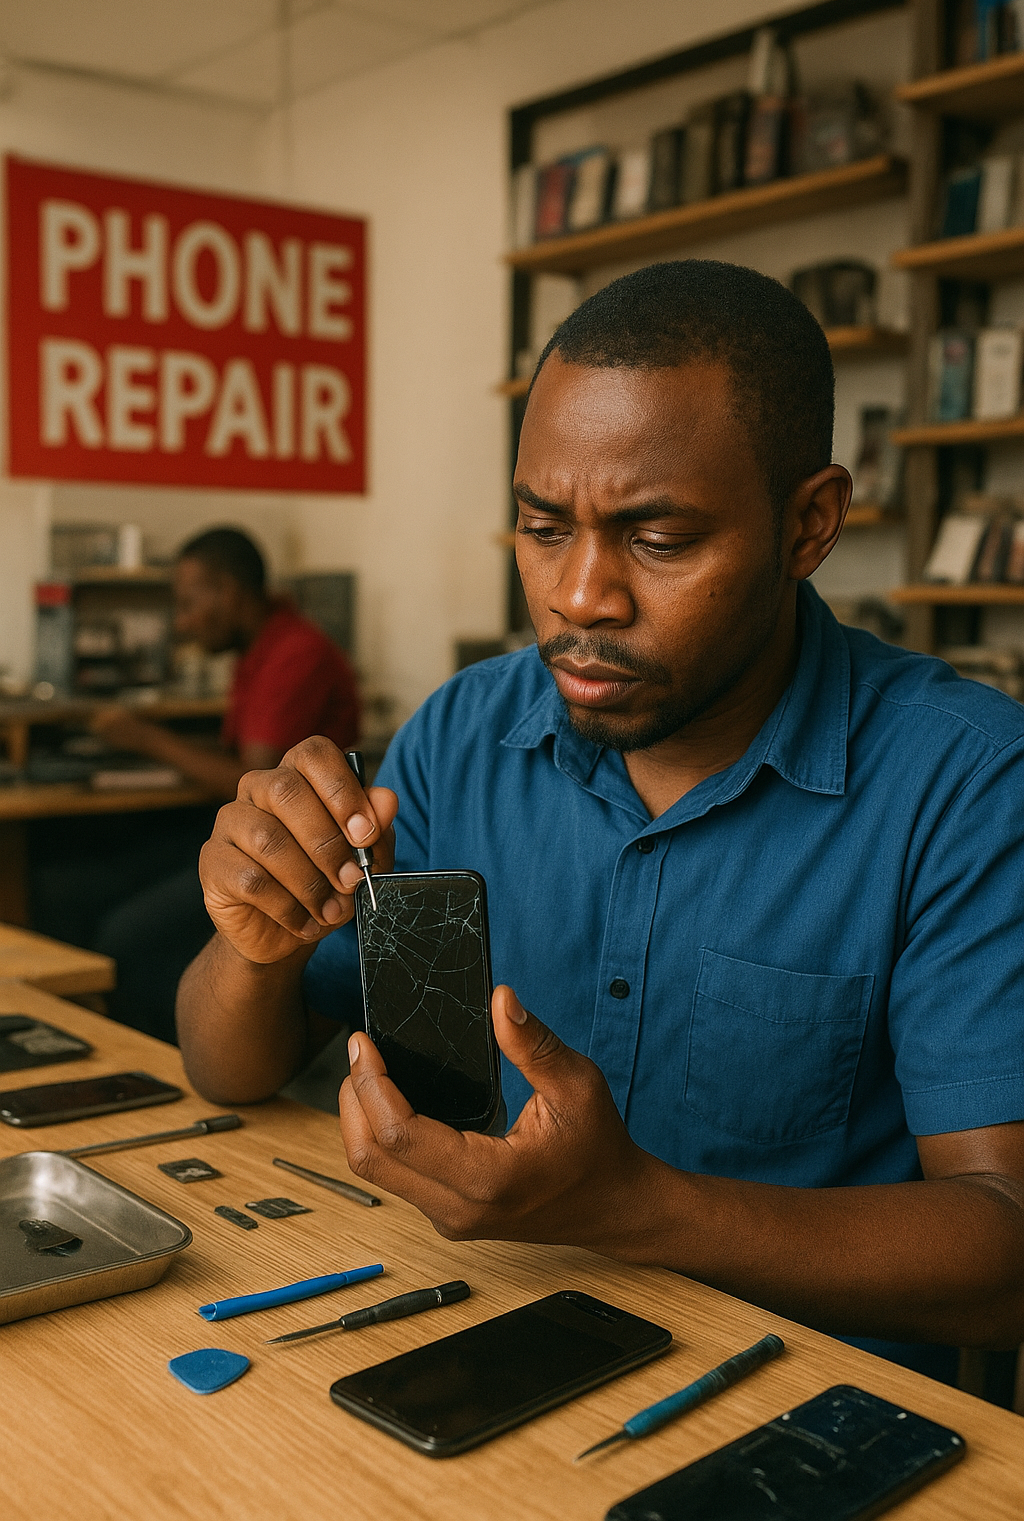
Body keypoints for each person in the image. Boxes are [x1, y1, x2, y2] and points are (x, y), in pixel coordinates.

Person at [177, 262, 1024, 1385]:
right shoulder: (460, 734)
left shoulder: (963, 780)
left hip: (799, 1409)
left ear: (809, 523)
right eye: (541, 526)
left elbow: (1005, 1250)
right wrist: (256, 947)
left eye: (658, 539)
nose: (580, 596)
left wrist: (634, 1210)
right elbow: (228, 1068)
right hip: (472, 1333)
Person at [32, 526, 359, 1043]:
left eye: (187, 604)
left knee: (127, 936)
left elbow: (249, 779)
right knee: (65, 887)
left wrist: (145, 738)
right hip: (237, 836)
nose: (182, 624)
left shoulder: (295, 653)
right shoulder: (256, 651)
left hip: (285, 860)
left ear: (228, 593)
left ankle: (157, 1064)